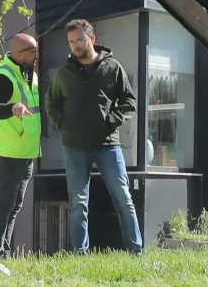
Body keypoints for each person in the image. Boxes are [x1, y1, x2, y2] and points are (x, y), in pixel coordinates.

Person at [45, 18, 140, 253]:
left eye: (79, 40)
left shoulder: (112, 68)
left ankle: (136, 251)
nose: (75, 46)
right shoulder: (64, 72)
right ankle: (80, 253)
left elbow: (129, 102)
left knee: (123, 199)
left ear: (92, 39)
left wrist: (111, 121)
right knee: (78, 203)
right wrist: (64, 124)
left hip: (108, 145)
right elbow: (51, 103)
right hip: (74, 146)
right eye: (71, 42)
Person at [0, 32, 41, 255]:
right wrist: (11, 107)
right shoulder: (3, 76)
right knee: (5, 204)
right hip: (8, 151)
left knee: (15, 206)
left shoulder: (30, 74)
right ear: (18, 54)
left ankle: (3, 251)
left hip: (26, 150)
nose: (36, 54)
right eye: (32, 51)